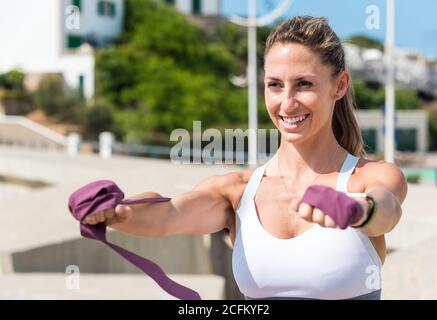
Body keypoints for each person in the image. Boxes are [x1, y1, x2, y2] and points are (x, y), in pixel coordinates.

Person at [82, 16, 407, 300]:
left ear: (339, 85)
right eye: (275, 85)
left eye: (304, 84)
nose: (288, 103)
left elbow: (386, 210)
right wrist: (115, 211)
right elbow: (167, 214)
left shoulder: (367, 179)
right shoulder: (237, 191)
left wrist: (358, 210)